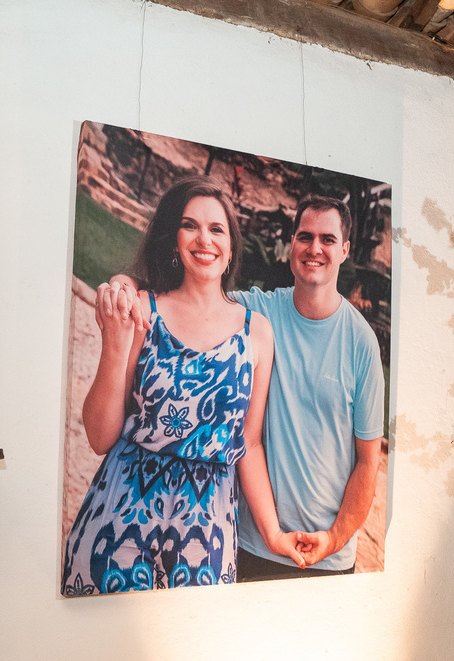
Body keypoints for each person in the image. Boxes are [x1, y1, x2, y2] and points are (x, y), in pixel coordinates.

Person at [110, 194, 385, 579]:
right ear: (293, 245)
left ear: (344, 249)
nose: (314, 248)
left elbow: (368, 461)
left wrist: (335, 538)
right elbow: (189, 290)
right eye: (305, 237)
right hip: (250, 541)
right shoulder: (255, 314)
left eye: (327, 239)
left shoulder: (361, 343)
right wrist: (125, 283)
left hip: (328, 555)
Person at [62, 177, 304, 595]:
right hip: (118, 521)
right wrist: (115, 345)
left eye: (217, 229)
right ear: (174, 240)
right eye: (190, 225)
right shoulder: (141, 310)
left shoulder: (256, 333)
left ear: (230, 247)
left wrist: (274, 533)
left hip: (205, 536)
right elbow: (100, 438)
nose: (204, 238)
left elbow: (250, 443)